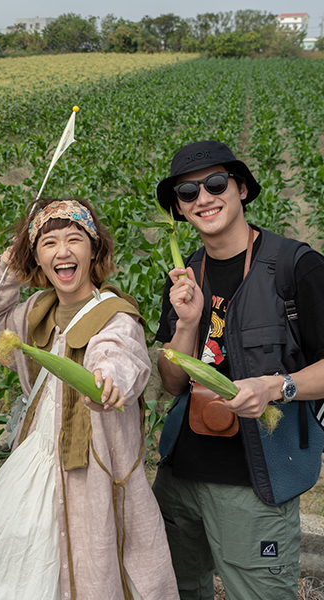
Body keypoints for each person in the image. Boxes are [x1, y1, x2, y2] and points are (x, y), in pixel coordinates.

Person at [0, 197, 178, 600]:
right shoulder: (36, 312)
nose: (64, 251)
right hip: (36, 466)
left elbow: (120, 354)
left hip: (95, 473)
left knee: (98, 569)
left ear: (94, 251)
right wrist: (9, 270)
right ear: (36, 258)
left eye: (75, 239)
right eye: (49, 244)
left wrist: (107, 381)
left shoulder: (115, 315)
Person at [151, 140, 324, 600]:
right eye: (187, 193)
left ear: (241, 188)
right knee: (175, 590)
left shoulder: (295, 266)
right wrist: (187, 326)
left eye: (215, 183)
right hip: (179, 477)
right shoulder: (184, 276)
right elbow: (173, 385)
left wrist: (276, 386)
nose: (203, 198)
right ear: (180, 211)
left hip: (256, 484)